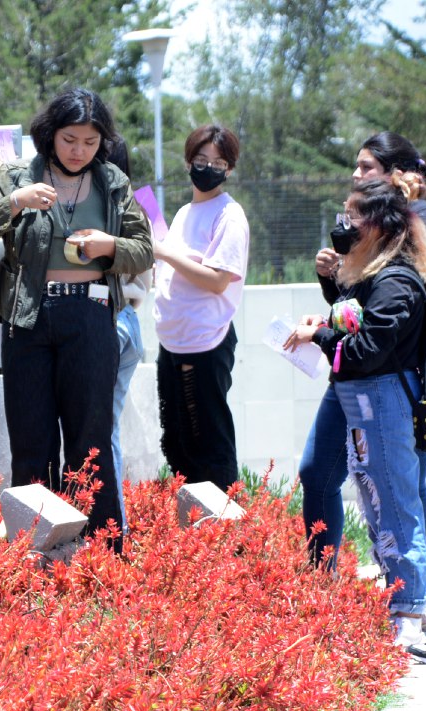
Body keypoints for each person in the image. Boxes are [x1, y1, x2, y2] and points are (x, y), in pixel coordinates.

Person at [0, 88, 153, 541]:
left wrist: (109, 246)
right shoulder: (16, 175)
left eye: (90, 142)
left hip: (90, 316)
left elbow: (144, 249)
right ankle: (35, 551)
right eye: (70, 140)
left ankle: (104, 550)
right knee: (31, 439)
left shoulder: (112, 181)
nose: (78, 151)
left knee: (91, 441)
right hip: (28, 316)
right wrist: (16, 202)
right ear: (50, 134)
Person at [285, 180, 426, 652]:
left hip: (383, 399)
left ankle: (412, 616)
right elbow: (353, 321)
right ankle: (400, 607)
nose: (343, 224)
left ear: (376, 225)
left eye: (352, 216)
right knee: (377, 503)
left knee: (396, 503)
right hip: (365, 403)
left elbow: (370, 349)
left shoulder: (396, 280)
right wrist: (325, 324)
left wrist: (318, 338)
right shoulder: (373, 274)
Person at [299, 133, 426, 570]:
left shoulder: (419, 217)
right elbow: (357, 308)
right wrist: (335, 276)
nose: (356, 174)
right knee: (319, 472)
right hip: (356, 370)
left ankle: (406, 597)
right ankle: (322, 581)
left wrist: (327, 334)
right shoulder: (373, 229)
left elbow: (398, 300)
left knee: (402, 489)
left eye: (366, 167)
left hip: (397, 377)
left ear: (393, 174)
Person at [152, 124, 250, 492]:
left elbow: (217, 280)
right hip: (172, 343)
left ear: (230, 170)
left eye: (218, 162)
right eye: (201, 160)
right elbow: (170, 268)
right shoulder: (181, 214)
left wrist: (165, 252)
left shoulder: (229, 215)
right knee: (177, 443)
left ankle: (225, 530)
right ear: (188, 162)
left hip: (205, 345)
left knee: (208, 443)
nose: (208, 168)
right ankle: (191, 535)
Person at [104, 137, 154, 523]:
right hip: (131, 321)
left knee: (101, 432)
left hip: (111, 319)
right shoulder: (142, 204)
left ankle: (112, 528)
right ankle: (113, 525)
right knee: (106, 429)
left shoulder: (106, 207)